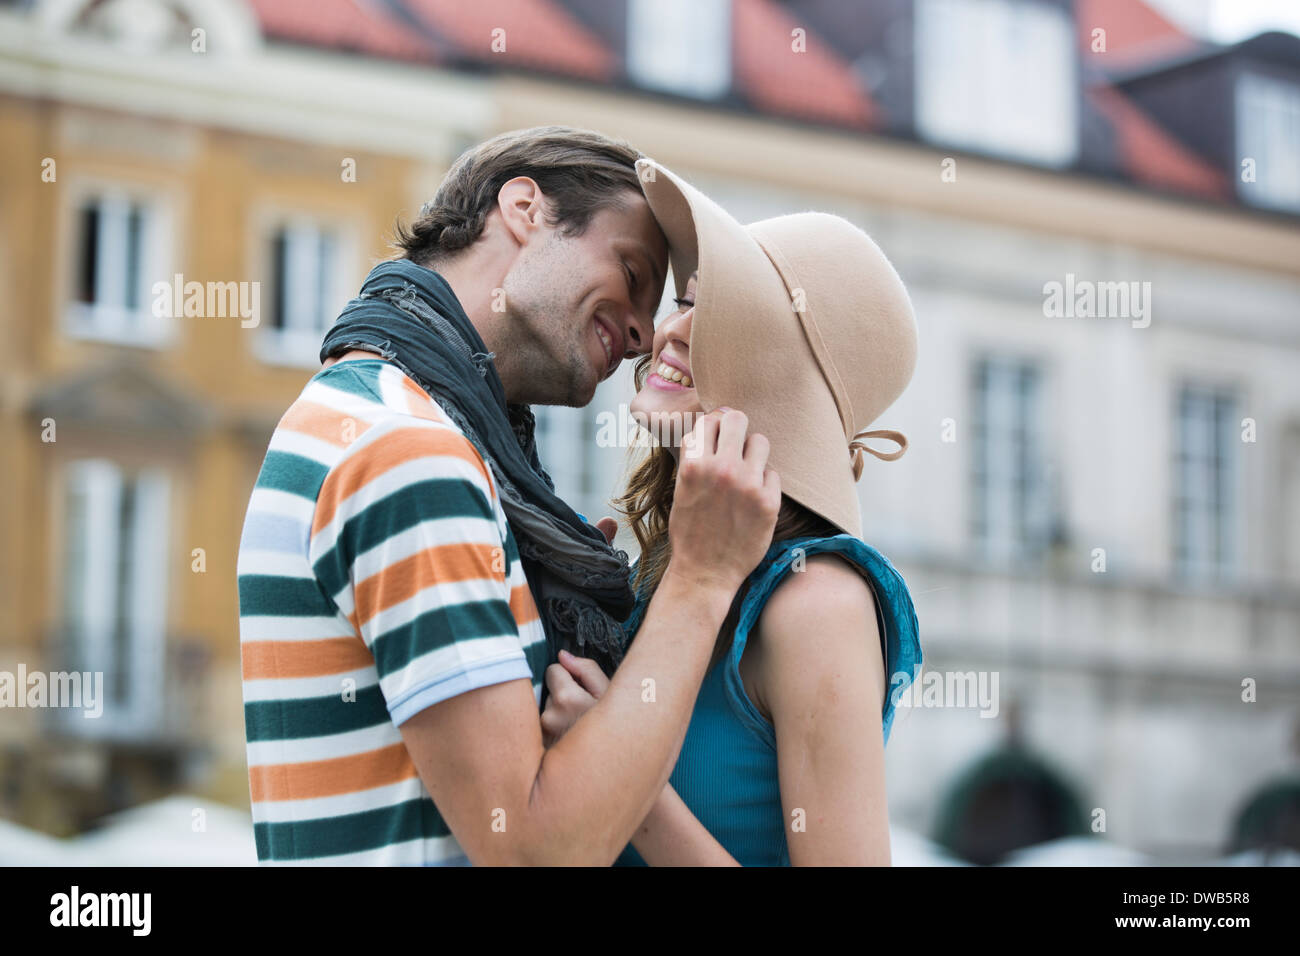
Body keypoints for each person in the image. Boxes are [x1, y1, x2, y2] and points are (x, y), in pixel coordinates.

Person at [236, 128, 780, 865]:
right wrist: (702, 578)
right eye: (631, 268)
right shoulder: (408, 453)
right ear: (525, 208)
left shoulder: (377, 417)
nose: (644, 333)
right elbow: (533, 851)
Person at [540, 158, 925, 865]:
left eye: (722, 311)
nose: (673, 331)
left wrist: (624, 779)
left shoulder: (817, 601)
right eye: (684, 302)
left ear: (792, 373)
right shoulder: (672, 571)